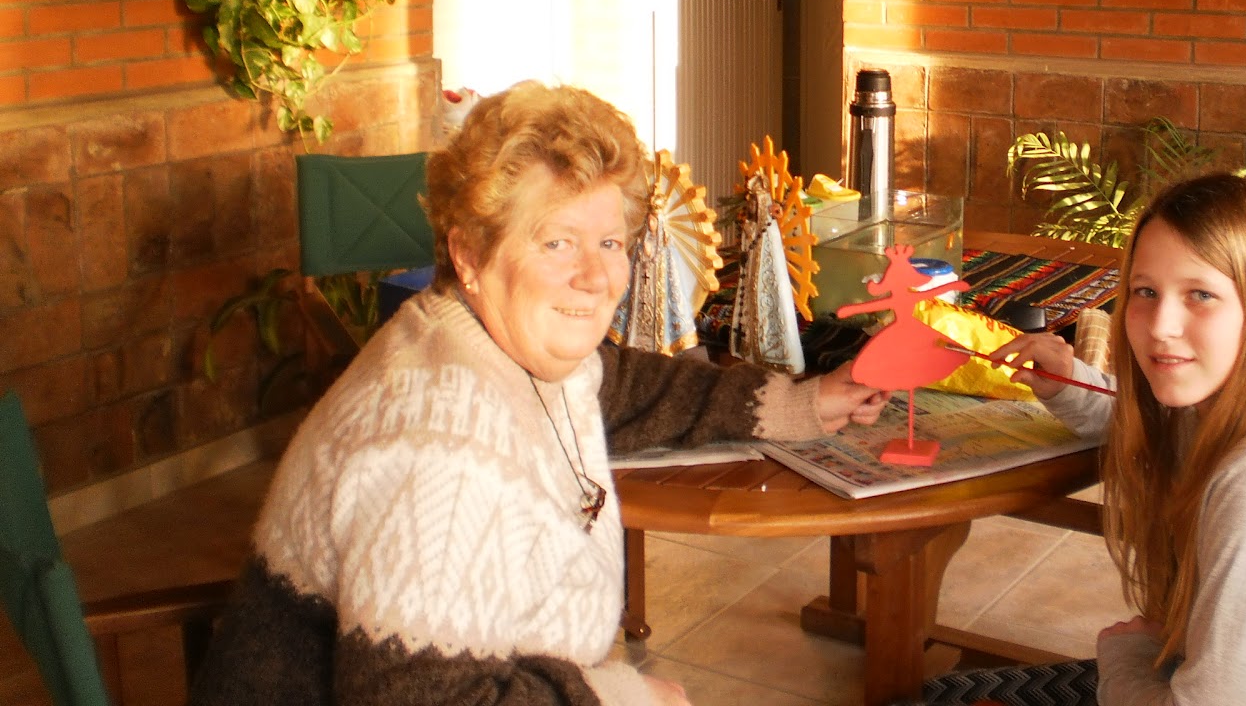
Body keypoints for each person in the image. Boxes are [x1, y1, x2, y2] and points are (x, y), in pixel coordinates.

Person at [191, 81, 888, 706]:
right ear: (469, 253)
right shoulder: (436, 450)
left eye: (610, 243)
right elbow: (422, 698)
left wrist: (805, 402)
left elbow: (623, 385)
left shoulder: (485, 339)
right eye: (557, 243)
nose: (596, 276)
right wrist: (619, 698)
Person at [917, 173, 1246, 706]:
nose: (1161, 326)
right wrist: (1067, 383)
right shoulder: (1232, 407)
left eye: (1201, 295)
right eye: (1145, 292)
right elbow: (1147, 426)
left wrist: (1121, 658)